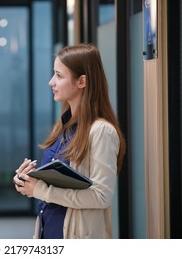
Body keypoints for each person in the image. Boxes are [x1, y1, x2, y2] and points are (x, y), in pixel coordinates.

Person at [13, 43, 126, 239]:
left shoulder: (101, 131)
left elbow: (101, 197)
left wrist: (40, 190)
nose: (51, 82)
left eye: (59, 75)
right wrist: (28, 181)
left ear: (82, 81)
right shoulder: (64, 126)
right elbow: (53, 185)